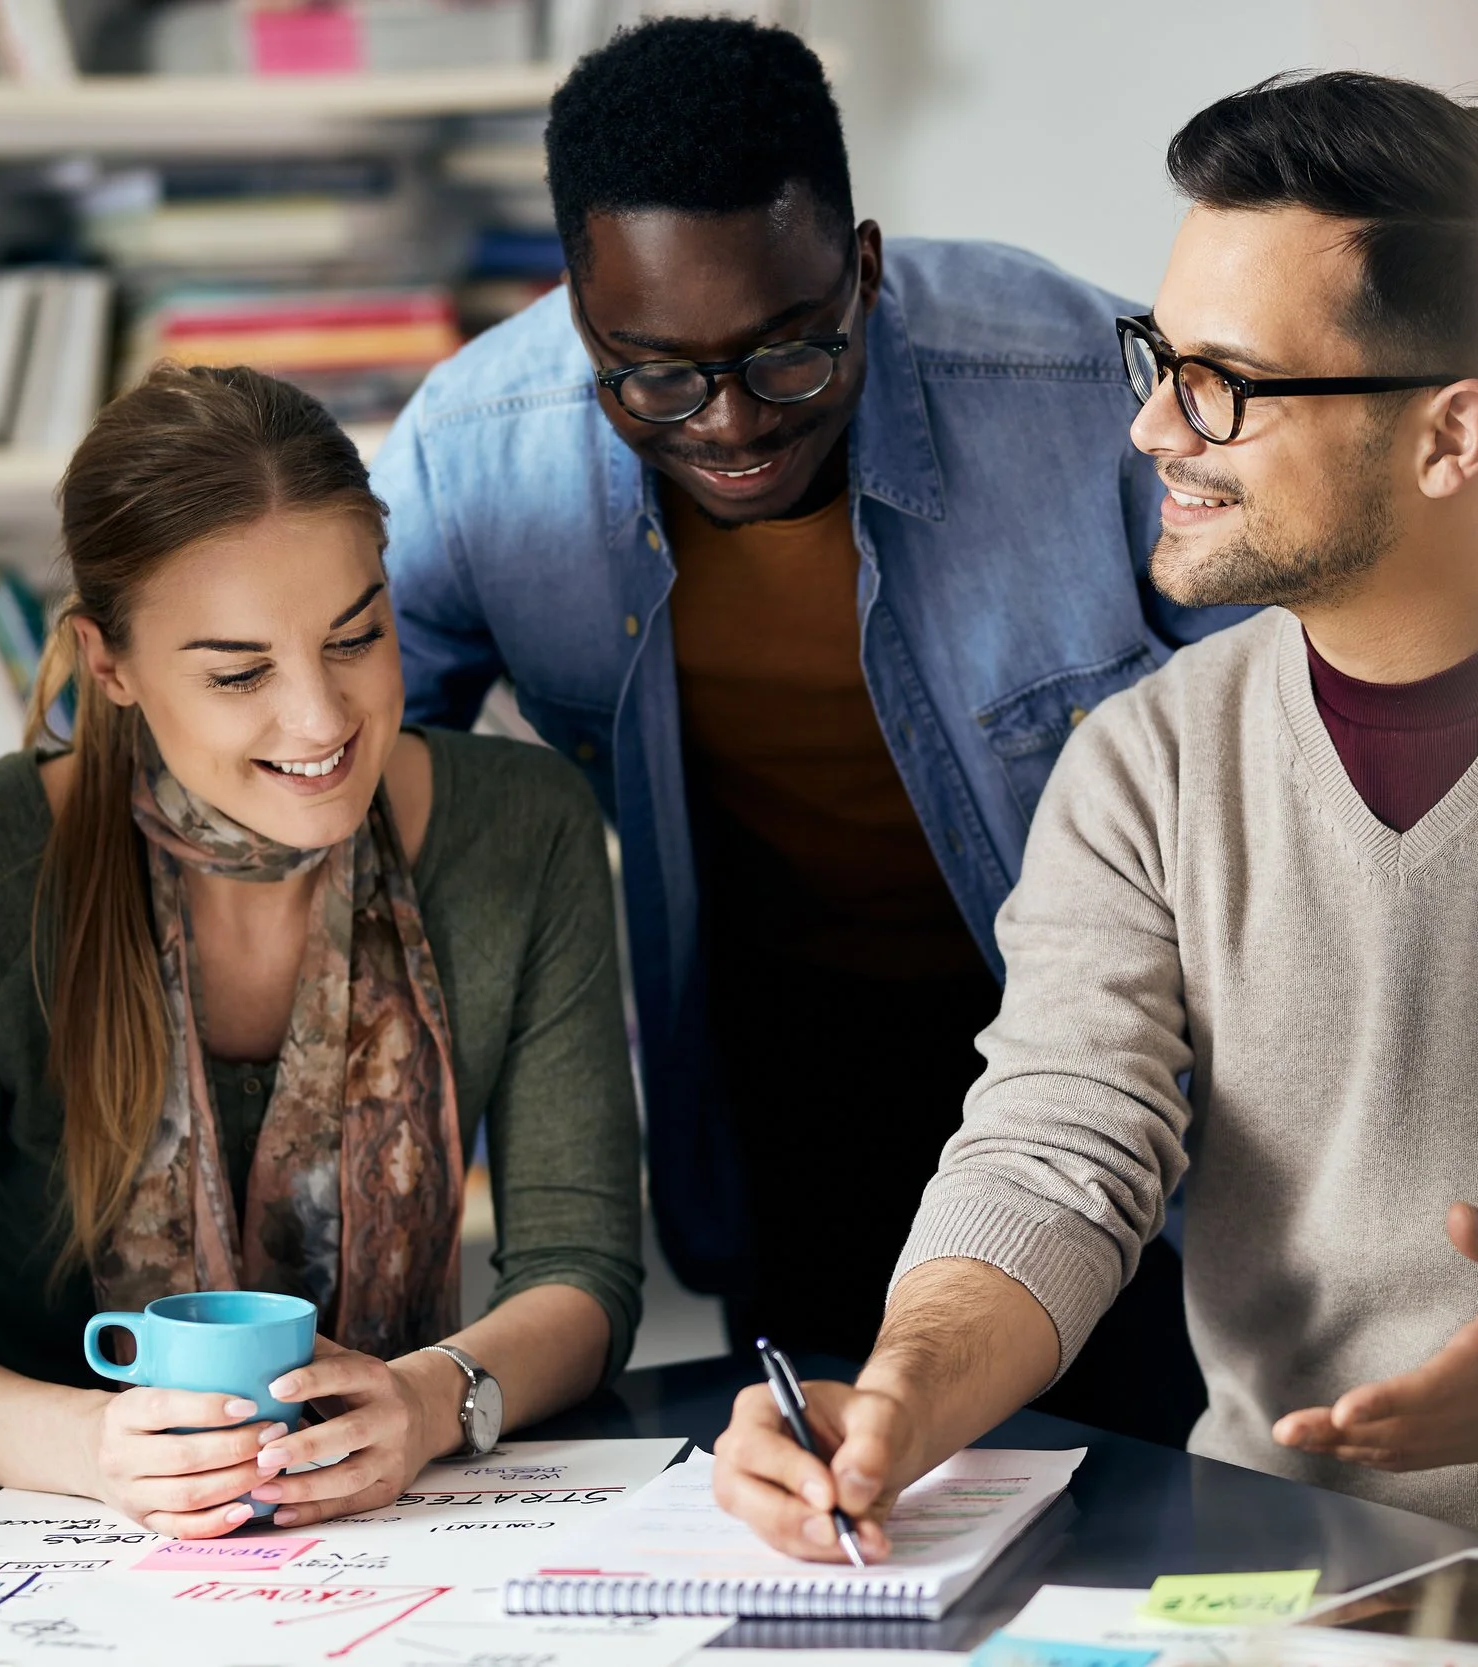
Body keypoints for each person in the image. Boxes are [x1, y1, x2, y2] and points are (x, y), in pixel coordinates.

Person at [713, 70, 1478, 1553]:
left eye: (1221, 379)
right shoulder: (1143, 768)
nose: (1151, 426)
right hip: (1274, 1574)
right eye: (1157, 353)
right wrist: (902, 1389)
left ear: (1454, 435)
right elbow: (1056, 1148)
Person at [377, 16, 1246, 1439]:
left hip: (1124, 1054)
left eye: (787, 354)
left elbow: (1287, 732)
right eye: (653, 371)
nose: (729, 423)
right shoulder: (479, 451)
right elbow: (327, 749)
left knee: (1155, 1497)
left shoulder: (1089, 392)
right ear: (578, 311)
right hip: (775, 1066)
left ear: (867, 268)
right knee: (848, 1509)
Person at [0, 364, 643, 1539]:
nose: (320, 718)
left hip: (401, 1536)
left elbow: (584, 1270)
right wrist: (99, 1452)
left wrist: (429, 1396)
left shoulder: (523, 827)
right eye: (239, 671)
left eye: (355, 635)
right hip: (61, 1556)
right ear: (110, 663)